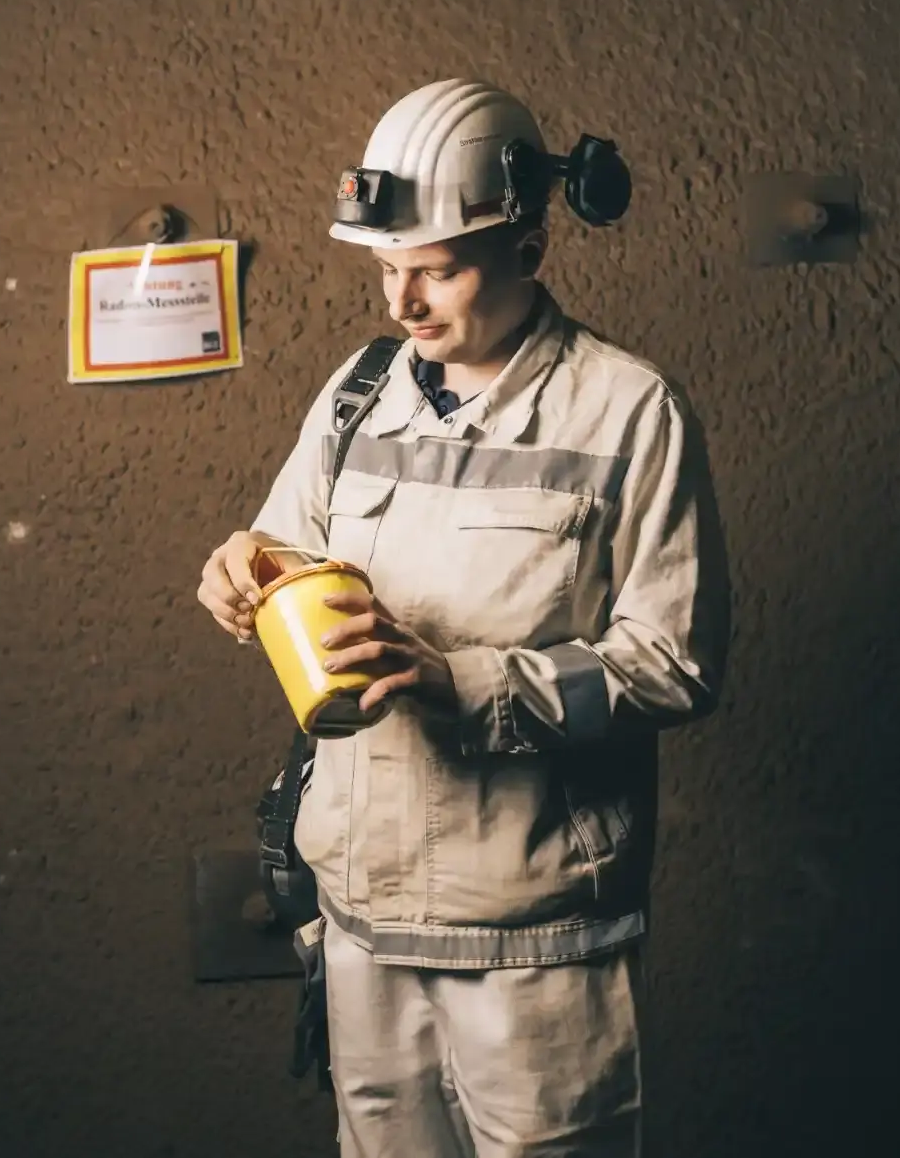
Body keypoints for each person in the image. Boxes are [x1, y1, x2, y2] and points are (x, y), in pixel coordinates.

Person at [197, 79, 731, 1158]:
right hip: (359, 917)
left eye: (435, 268)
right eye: (388, 267)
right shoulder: (357, 393)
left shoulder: (630, 411)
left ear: (530, 247)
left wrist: (458, 680)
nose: (401, 302)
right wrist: (244, 563)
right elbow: (290, 546)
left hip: (535, 934)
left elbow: (676, 662)